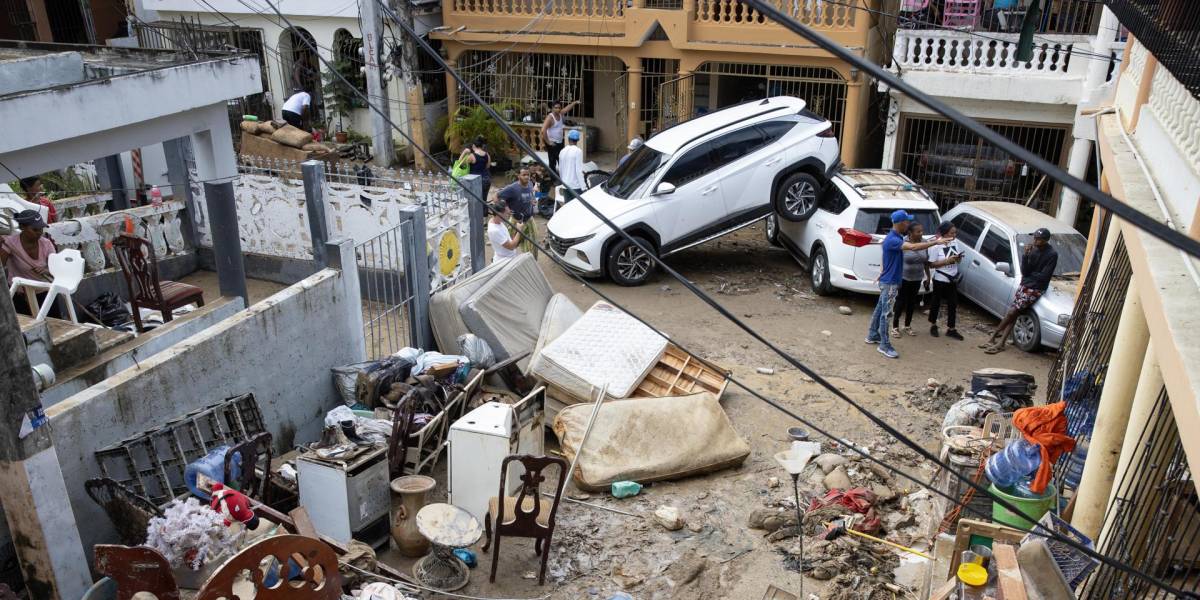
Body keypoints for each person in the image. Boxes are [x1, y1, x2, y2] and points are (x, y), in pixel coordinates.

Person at [866, 210, 944, 359]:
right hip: (890, 282)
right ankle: (884, 344)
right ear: (901, 223)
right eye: (907, 222)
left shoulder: (895, 236)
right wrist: (936, 242)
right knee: (886, 313)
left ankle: (872, 335)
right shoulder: (893, 239)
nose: (908, 224)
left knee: (880, 309)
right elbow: (913, 247)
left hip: (888, 280)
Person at [982, 227, 1058, 354]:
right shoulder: (1032, 250)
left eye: (1038, 239)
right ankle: (1000, 342)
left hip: (1036, 288)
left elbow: (1044, 276)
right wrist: (1026, 255)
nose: (1035, 241)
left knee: (1012, 312)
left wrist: (1031, 275)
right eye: (1035, 238)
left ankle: (994, 337)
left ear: (1046, 240)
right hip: (1025, 284)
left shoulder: (1052, 254)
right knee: (1014, 313)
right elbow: (1025, 271)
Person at [1, 210, 59, 316]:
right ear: (22, 227)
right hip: (20, 294)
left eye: (41, 229)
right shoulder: (10, 243)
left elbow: (57, 269)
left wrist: (47, 270)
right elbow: (1, 265)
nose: (39, 233)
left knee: (54, 323)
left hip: (45, 292)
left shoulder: (46, 244)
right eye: (35, 229)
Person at [927, 221, 965, 340]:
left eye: (955, 233)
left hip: (952, 278)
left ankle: (951, 328)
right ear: (944, 233)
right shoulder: (936, 245)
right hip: (941, 278)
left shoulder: (955, 242)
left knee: (953, 304)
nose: (954, 235)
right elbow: (931, 264)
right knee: (936, 303)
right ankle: (933, 325)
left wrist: (958, 259)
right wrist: (946, 261)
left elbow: (957, 260)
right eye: (951, 233)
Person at [892, 222, 930, 337]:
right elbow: (895, 261)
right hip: (903, 278)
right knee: (900, 301)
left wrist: (928, 276)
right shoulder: (902, 242)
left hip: (917, 278)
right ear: (910, 233)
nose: (921, 233)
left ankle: (907, 326)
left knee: (912, 302)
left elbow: (926, 262)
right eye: (918, 231)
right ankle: (895, 326)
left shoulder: (925, 242)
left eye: (922, 231)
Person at [497, 168, 538, 255]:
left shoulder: (530, 184)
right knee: (508, 248)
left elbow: (530, 195)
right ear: (518, 176)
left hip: (529, 219)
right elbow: (496, 197)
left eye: (528, 175)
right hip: (516, 221)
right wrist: (506, 208)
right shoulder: (512, 188)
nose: (527, 177)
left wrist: (532, 200)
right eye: (524, 175)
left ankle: (530, 266)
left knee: (533, 248)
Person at [541, 100, 579, 173]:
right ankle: (553, 178)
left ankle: (561, 176)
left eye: (559, 108)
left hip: (560, 141)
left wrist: (574, 103)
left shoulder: (560, 114)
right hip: (552, 143)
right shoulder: (550, 118)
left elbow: (567, 108)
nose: (558, 109)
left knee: (561, 159)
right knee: (553, 161)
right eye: (556, 108)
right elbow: (543, 130)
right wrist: (548, 142)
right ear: (552, 108)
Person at [459, 136, 492, 203]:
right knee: (484, 200)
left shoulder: (472, 156)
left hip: (476, 181)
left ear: (473, 145)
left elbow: (461, 165)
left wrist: (464, 152)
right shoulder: (487, 155)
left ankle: (478, 213)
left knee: (476, 202)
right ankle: (484, 213)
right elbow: (487, 166)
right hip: (486, 179)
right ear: (482, 145)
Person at [559, 129, 586, 197]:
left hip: (565, 185)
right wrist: (583, 187)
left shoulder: (562, 151)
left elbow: (560, 169)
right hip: (575, 186)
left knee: (568, 206)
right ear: (577, 140)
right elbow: (578, 171)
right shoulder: (578, 151)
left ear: (568, 139)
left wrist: (563, 182)